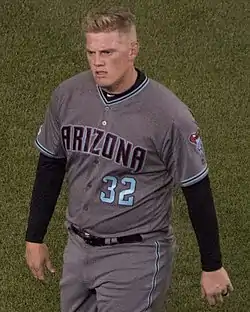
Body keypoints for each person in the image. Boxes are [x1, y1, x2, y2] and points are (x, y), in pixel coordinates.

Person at [25, 7, 233, 312]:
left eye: (108, 52)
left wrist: (212, 265)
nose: (97, 62)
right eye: (91, 52)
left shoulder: (169, 116)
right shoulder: (67, 96)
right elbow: (51, 165)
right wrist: (34, 236)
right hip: (78, 249)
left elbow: (196, 187)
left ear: (133, 50)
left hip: (136, 254)